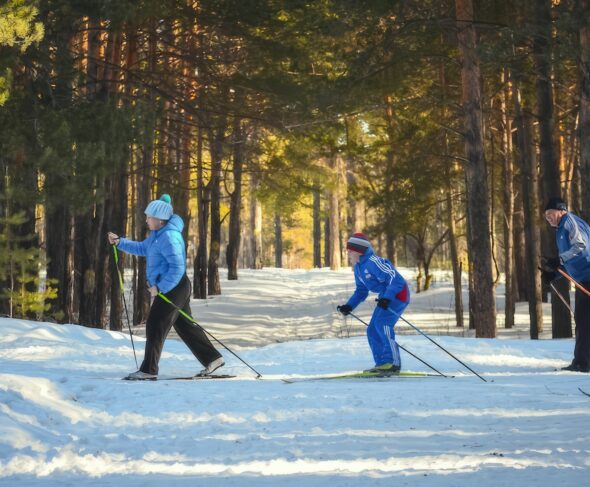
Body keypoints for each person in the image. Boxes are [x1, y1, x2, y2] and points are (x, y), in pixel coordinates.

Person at [107, 194, 224, 380]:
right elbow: (141, 248)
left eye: (149, 217)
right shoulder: (156, 236)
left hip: (174, 287)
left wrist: (160, 288)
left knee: (155, 324)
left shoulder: (170, 237)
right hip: (175, 286)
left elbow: (177, 267)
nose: (146, 220)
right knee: (185, 325)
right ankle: (213, 358)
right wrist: (120, 242)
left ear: (160, 220)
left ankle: (148, 370)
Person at [337, 233, 410, 374]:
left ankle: (393, 363)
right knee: (372, 329)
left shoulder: (373, 262)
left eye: (350, 250)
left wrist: (387, 297)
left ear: (358, 250)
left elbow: (395, 279)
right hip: (386, 296)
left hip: (398, 294)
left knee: (382, 324)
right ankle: (382, 364)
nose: (348, 253)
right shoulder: (358, 268)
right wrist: (349, 306)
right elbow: (361, 291)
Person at [542, 197, 590, 373]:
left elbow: (580, 247)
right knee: (583, 320)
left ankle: (582, 363)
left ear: (561, 210)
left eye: (550, 213)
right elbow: (571, 260)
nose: (548, 218)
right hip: (583, 279)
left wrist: (559, 260)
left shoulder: (569, 221)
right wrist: (553, 274)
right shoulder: (560, 230)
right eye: (546, 216)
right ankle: (582, 361)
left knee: (584, 321)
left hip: (588, 276)